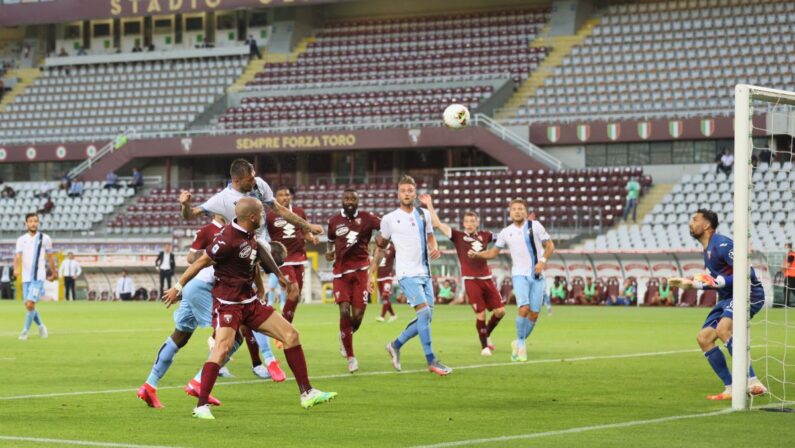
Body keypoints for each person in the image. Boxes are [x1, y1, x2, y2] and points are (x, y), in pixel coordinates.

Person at [162, 197, 336, 420]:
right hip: (228, 305)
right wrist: (178, 286)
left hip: (249, 302)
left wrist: (279, 276)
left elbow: (259, 254)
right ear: (252, 217)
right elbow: (200, 262)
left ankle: (307, 392)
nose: (264, 216)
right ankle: (201, 405)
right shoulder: (226, 239)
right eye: (262, 213)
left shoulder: (250, 234)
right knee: (222, 349)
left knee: (291, 334)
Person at [137, 215, 287, 409]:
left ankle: (150, 385)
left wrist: (260, 288)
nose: (276, 267)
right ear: (272, 253)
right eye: (279, 262)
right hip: (205, 288)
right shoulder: (254, 246)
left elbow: (254, 270)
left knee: (180, 336)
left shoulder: (251, 245)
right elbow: (206, 262)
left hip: (195, 285)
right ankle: (198, 382)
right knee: (232, 339)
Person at [668, 209, 767, 400]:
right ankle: (730, 388)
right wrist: (691, 285)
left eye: (695, 219)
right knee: (704, 338)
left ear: (706, 225)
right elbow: (715, 281)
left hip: (749, 294)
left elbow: (745, 273)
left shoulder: (722, 244)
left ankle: (753, 381)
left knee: (723, 329)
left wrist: (717, 282)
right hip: (728, 298)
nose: (690, 223)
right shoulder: (708, 250)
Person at [370, 175, 451, 376]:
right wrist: (370, 274)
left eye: (410, 190)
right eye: (403, 190)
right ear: (398, 194)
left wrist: (435, 248)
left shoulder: (424, 214)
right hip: (407, 274)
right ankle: (432, 360)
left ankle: (395, 345)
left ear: (415, 193)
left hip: (425, 273)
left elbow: (431, 237)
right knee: (423, 314)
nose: (407, 193)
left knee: (427, 317)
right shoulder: (389, 219)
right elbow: (380, 248)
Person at [470, 198, 555, 362]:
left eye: (520, 209)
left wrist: (542, 261)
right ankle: (521, 345)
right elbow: (494, 252)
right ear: (510, 212)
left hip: (537, 275)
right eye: (514, 209)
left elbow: (550, 245)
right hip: (519, 274)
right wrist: (478, 254)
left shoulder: (535, 226)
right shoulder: (505, 232)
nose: (517, 211)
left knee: (534, 314)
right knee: (523, 308)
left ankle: (517, 341)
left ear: (525, 211)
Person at [420, 195, 506, 356]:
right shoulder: (458, 236)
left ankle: (485, 334)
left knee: (500, 312)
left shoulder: (486, 235)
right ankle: (484, 347)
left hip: (487, 279)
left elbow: (504, 236)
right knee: (481, 313)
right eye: (467, 222)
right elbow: (438, 224)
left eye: (473, 221)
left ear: (477, 222)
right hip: (471, 280)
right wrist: (429, 205)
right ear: (463, 223)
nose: (470, 224)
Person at [326, 188, 381, 373]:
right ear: (342, 200)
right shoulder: (333, 221)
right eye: (347, 198)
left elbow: (385, 227)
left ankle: (344, 336)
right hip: (340, 273)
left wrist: (384, 240)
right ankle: (351, 357)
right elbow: (330, 240)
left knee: (357, 316)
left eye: (353, 199)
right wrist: (329, 251)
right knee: (344, 311)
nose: (350, 201)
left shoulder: (367, 218)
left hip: (361, 272)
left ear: (358, 201)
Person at [265, 186, 319, 324]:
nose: (285, 197)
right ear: (275, 198)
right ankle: (284, 326)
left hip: (299, 258)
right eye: (281, 195)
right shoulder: (269, 215)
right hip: (282, 259)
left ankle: (286, 322)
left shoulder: (299, 212)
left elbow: (305, 232)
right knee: (293, 291)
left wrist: (312, 238)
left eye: (287, 195)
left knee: (296, 295)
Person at [15, 213, 56, 340]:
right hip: (25, 277)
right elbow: (17, 256)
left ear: (38, 223)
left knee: (30, 303)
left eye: (35, 221)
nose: (33, 223)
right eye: (31, 221)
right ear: (26, 223)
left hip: (38, 277)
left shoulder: (45, 238)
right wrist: (16, 269)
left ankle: (25, 331)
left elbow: (50, 257)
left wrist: (54, 272)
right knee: (29, 305)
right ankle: (42, 326)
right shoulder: (21, 240)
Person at [375, 241, 397, 322]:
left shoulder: (392, 248)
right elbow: (375, 262)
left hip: (388, 276)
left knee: (385, 296)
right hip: (379, 277)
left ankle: (382, 316)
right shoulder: (379, 248)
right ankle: (393, 315)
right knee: (384, 298)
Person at [782, 243, 795, 307]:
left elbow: (788, 265)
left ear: (789, 247)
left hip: (790, 275)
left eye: (785, 246)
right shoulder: (792, 254)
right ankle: (786, 304)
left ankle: (786, 304)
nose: (784, 248)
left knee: (787, 290)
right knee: (791, 289)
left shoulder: (791, 255)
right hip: (791, 275)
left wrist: (782, 268)